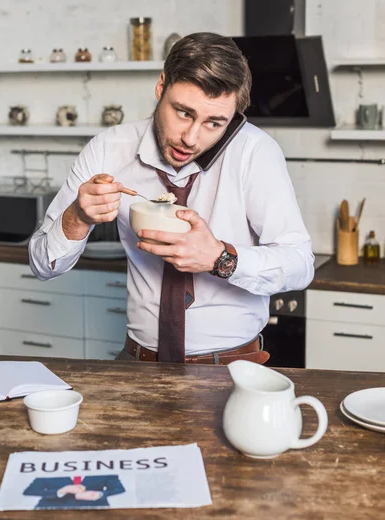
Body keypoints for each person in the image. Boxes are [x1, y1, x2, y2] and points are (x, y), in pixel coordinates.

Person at [29, 32, 314, 365]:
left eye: (214, 123)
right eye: (183, 113)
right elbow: (42, 265)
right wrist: (77, 216)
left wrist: (222, 259)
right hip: (137, 362)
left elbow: (300, 264)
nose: (191, 138)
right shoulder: (109, 148)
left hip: (231, 366)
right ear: (161, 86)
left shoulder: (255, 152)